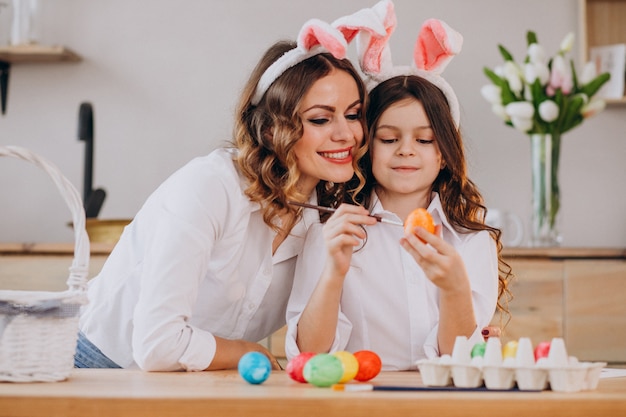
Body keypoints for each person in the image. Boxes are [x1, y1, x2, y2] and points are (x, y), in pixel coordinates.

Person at [74, 14, 374, 372]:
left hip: (191, 380)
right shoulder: (211, 187)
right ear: (274, 128)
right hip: (93, 366)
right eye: (321, 119)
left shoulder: (323, 218)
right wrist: (253, 352)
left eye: (353, 115)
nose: (346, 134)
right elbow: (157, 344)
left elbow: (310, 349)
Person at [285, 3, 512, 371]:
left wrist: (455, 290)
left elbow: (462, 365)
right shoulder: (332, 232)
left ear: (444, 155)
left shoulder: (469, 238)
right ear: (365, 147)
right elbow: (310, 358)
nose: (406, 149)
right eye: (389, 139)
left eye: (424, 140)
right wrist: (333, 273)